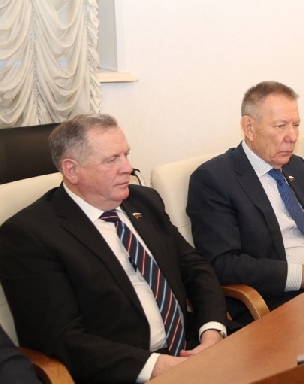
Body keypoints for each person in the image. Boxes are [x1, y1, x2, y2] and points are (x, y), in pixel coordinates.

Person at [0, 114, 230, 383]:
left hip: (192, 347)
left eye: (126, 155)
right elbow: (60, 337)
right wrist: (155, 366)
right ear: (72, 170)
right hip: (126, 370)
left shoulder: (144, 201)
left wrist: (212, 330)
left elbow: (195, 268)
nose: (128, 168)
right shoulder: (29, 235)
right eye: (112, 160)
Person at [187, 81, 304, 325]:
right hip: (280, 300)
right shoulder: (214, 179)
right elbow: (223, 263)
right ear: (249, 127)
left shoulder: (296, 166)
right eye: (280, 126)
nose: (292, 137)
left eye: (296, 125)